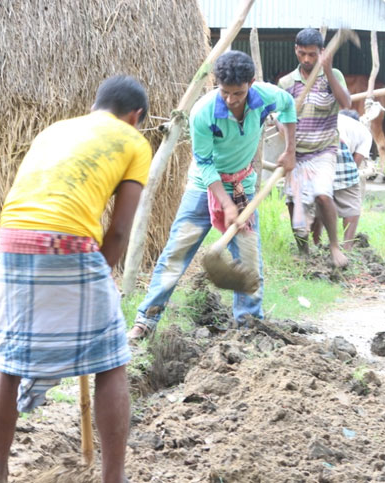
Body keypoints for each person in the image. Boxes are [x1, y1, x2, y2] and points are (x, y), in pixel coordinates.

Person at [0, 75, 152, 483]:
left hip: (12, 239)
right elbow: (118, 231)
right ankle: (114, 478)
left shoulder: (54, 130)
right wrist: (104, 276)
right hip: (67, 239)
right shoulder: (134, 141)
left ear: (97, 104)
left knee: (9, 362)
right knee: (111, 361)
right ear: (136, 117)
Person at [127, 50, 297, 341]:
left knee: (247, 260)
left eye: (239, 93)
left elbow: (289, 105)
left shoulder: (267, 96)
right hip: (203, 187)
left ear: (252, 84)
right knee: (177, 253)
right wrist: (225, 204)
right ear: (216, 85)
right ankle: (146, 320)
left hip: (242, 186)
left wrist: (290, 150)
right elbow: (204, 163)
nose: (231, 100)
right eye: (225, 92)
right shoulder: (203, 112)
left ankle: (248, 328)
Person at [278, 28, 351, 267]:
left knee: (322, 195)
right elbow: (279, 118)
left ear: (321, 53)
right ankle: (304, 251)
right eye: (302, 54)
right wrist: (284, 132)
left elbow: (346, 103)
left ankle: (333, 246)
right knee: (295, 203)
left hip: (323, 150)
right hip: (296, 153)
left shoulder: (333, 76)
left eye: (311, 54)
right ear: (295, 50)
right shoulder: (286, 83)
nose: (307, 60)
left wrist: (327, 70)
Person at [313, 109, 372, 250]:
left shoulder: (332, 116)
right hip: (338, 146)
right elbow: (355, 164)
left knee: (319, 201)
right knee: (351, 203)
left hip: (316, 147)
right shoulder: (363, 131)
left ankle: (316, 242)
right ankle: (347, 246)